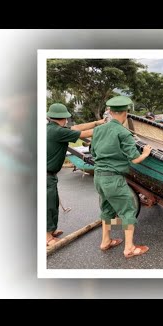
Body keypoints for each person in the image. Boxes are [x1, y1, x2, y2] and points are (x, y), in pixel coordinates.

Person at [91, 96, 152, 258]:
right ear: (126, 113)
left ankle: (105, 241)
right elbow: (135, 159)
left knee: (107, 209)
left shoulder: (98, 130)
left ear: (110, 112)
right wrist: (145, 152)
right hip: (113, 180)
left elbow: (93, 153)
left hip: (99, 178)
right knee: (128, 211)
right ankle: (129, 248)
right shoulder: (123, 132)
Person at [47, 103, 105, 246]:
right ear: (64, 118)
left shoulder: (53, 128)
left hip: (48, 173)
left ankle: (51, 230)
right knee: (48, 204)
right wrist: (107, 127)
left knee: (53, 202)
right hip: (45, 174)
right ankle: (47, 237)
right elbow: (84, 134)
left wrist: (97, 123)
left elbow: (77, 128)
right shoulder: (58, 132)